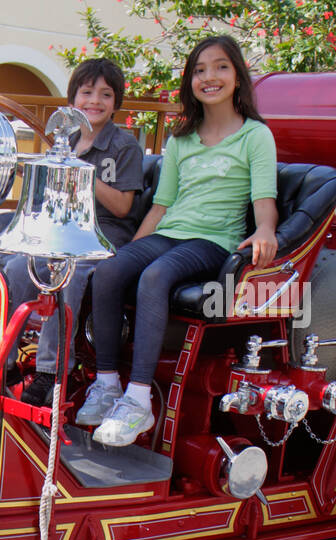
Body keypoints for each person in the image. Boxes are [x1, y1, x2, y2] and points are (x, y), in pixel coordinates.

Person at [85, 35, 277, 446]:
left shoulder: (255, 136)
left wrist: (264, 230)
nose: (210, 77)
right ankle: (106, 386)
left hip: (214, 241)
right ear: (190, 80)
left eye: (220, 67)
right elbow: (161, 205)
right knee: (110, 270)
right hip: (169, 232)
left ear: (238, 76)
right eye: (200, 70)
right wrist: (130, 251)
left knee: (155, 277)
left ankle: (139, 402)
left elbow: (265, 201)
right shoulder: (181, 139)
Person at [0, 58, 143, 406]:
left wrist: (82, 172)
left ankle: (50, 370)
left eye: (105, 95)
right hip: (63, 230)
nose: (95, 102)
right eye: (87, 93)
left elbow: (122, 207)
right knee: (16, 267)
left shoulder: (124, 146)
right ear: (73, 99)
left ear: (115, 103)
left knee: (67, 275)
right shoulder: (67, 140)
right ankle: (7, 360)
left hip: (103, 236)